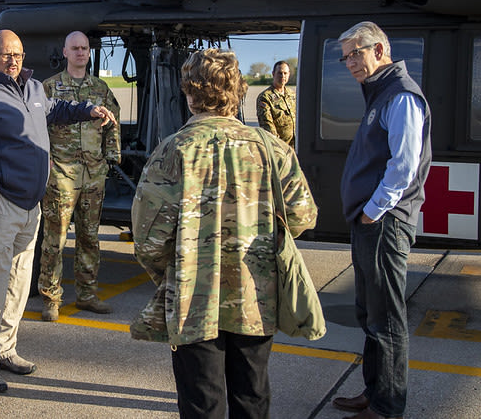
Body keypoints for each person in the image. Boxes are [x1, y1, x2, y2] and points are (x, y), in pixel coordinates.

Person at [131, 48, 317, 419]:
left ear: (189, 92)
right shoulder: (272, 149)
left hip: (192, 301)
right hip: (255, 299)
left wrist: (173, 268)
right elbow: (302, 216)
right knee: (252, 396)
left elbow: (149, 239)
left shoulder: (173, 150)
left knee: (203, 402)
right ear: (238, 92)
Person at [0, 29, 117, 394]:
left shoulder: (34, 88)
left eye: (18, 54)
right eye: (5, 54)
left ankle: (5, 349)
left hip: (30, 208)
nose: (12, 60)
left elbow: (56, 110)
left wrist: (87, 110)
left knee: (17, 288)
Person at [333, 22, 431, 419]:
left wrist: (374, 210)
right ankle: (375, 393)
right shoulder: (380, 93)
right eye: (346, 56)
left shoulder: (400, 95)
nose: (350, 62)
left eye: (357, 53)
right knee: (370, 313)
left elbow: (403, 166)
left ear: (380, 49)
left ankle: (387, 407)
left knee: (386, 317)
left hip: (385, 223)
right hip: (371, 221)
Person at [38, 31, 121, 321]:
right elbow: (36, 126)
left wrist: (111, 158)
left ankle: (87, 294)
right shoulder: (49, 87)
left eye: (84, 48)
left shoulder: (100, 89)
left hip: (93, 172)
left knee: (89, 237)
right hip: (60, 171)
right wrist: (43, 158)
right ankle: (50, 297)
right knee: (55, 238)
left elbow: (113, 123)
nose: (80, 53)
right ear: (65, 52)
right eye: (75, 48)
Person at [256, 59, 295, 145]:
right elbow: (267, 127)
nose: (282, 76)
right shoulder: (265, 97)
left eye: (285, 73)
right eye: (280, 73)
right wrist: (278, 147)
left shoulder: (292, 94)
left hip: (296, 147)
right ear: (273, 74)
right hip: (279, 147)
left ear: (289, 75)